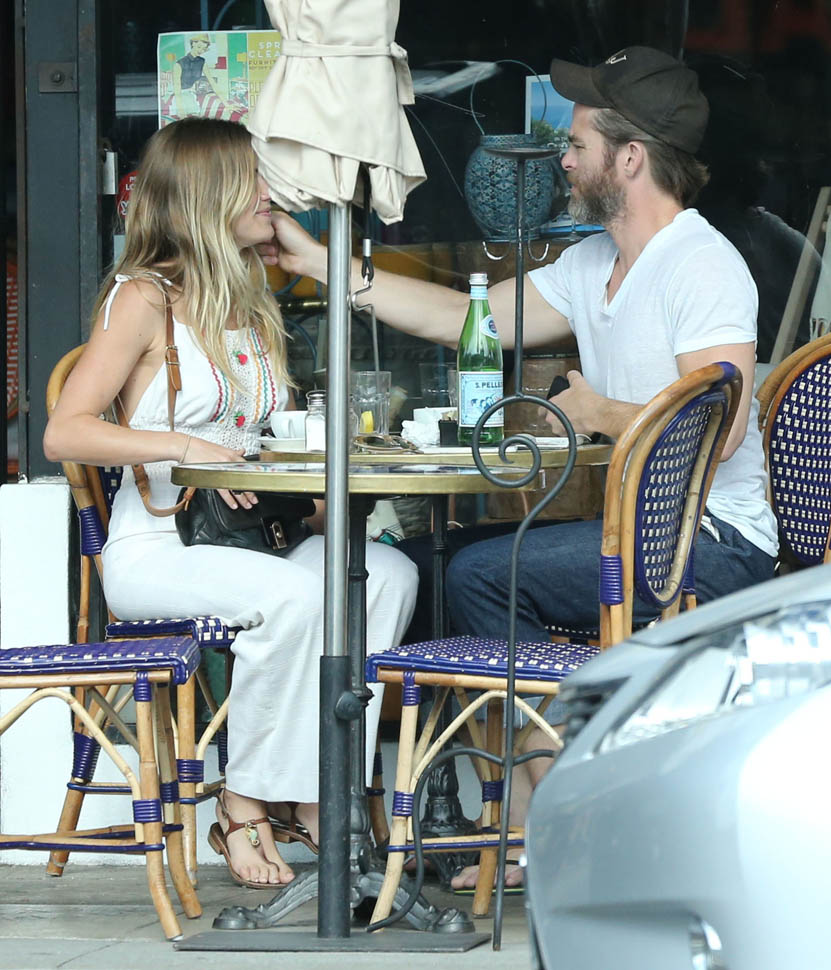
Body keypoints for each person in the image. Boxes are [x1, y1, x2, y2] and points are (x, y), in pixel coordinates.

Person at [263, 46, 779, 886]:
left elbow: (715, 431)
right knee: (423, 569)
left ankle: (554, 814)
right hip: (637, 529)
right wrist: (326, 265)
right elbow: (463, 317)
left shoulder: (701, 264)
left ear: (630, 158)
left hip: (711, 541)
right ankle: (506, 808)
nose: (562, 161)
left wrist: (601, 412)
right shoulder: (593, 263)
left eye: (576, 144)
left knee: (480, 576)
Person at [43, 117, 418, 890]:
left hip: (257, 538)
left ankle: (320, 789)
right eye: (253, 179)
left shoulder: (251, 299)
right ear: (208, 193)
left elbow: (263, 439)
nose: (269, 194)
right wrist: (191, 448)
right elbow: (65, 432)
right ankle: (243, 802)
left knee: (384, 575)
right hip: (160, 550)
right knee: (293, 598)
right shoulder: (142, 297)